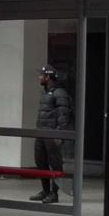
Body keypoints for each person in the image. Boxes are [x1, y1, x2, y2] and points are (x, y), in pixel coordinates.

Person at [32, 64, 72, 204]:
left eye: (41, 75)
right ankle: (45, 191)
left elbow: (64, 116)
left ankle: (54, 194)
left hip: (52, 135)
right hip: (41, 133)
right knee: (40, 162)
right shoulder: (45, 92)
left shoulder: (59, 93)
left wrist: (59, 134)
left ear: (48, 77)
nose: (39, 77)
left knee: (55, 164)